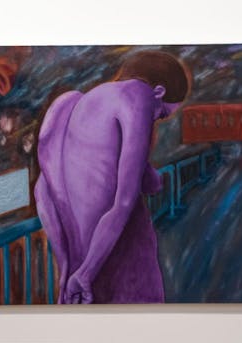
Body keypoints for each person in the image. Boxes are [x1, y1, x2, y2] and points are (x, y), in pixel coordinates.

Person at [34, 50, 190, 304]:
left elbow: (43, 193)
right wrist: (85, 273)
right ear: (158, 92)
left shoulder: (69, 104)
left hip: (80, 256)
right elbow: (124, 202)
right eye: (162, 114)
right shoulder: (139, 96)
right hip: (119, 248)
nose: (156, 120)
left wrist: (69, 270)